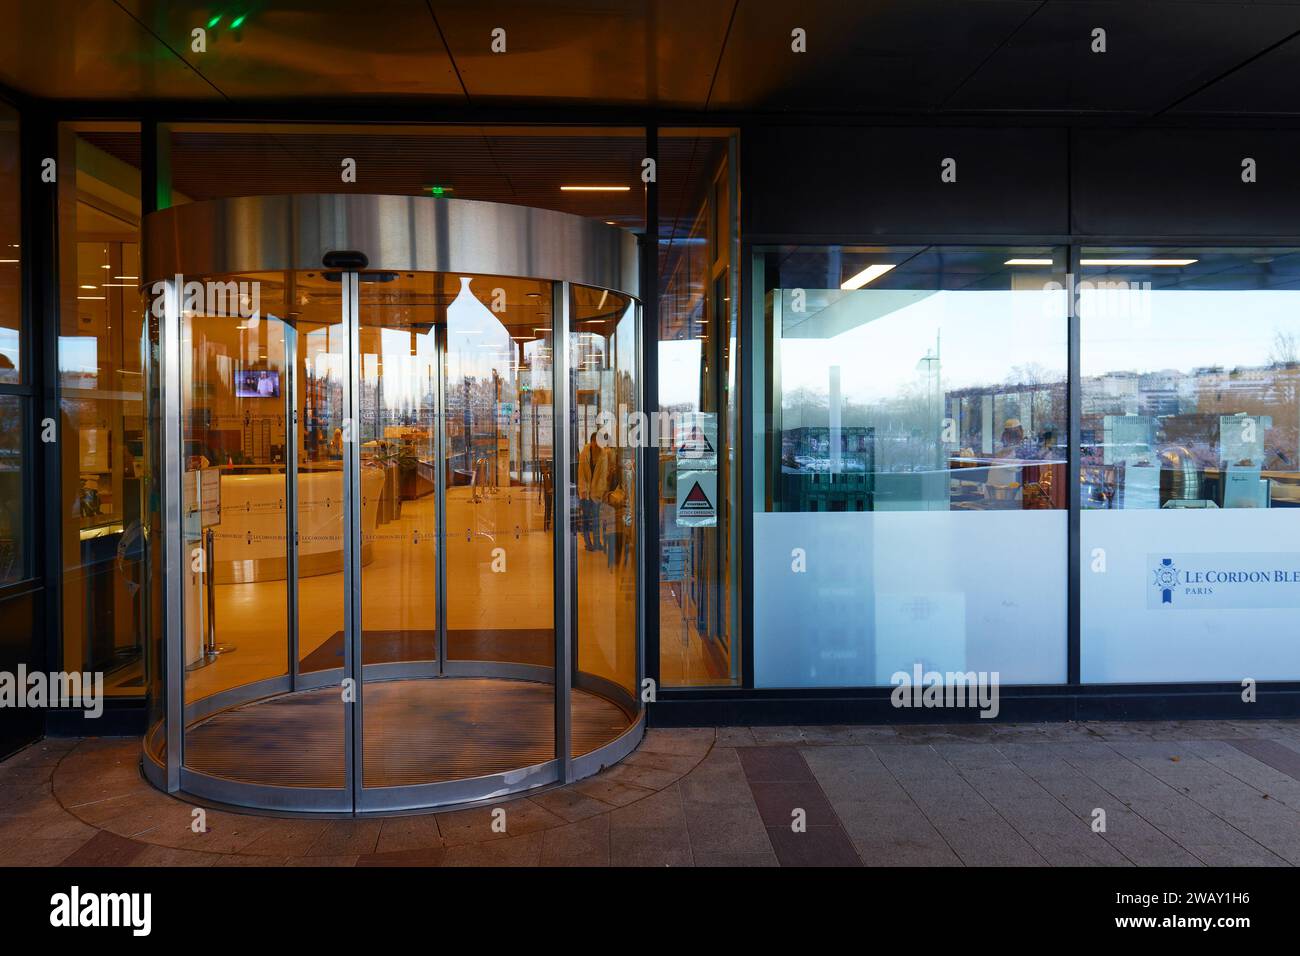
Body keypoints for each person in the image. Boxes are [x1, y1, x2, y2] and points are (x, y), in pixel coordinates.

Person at [577, 430, 613, 551]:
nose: (598, 444)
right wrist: (583, 489)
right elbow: (581, 473)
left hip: (597, 491)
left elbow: (603, 476)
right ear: (592, 442)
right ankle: (588, 542)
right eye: (595, 442)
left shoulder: (603, 455)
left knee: (596, 518)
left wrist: (601, 492)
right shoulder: (585, 453)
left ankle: (597, 542)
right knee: (586, 518)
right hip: (585, 491)